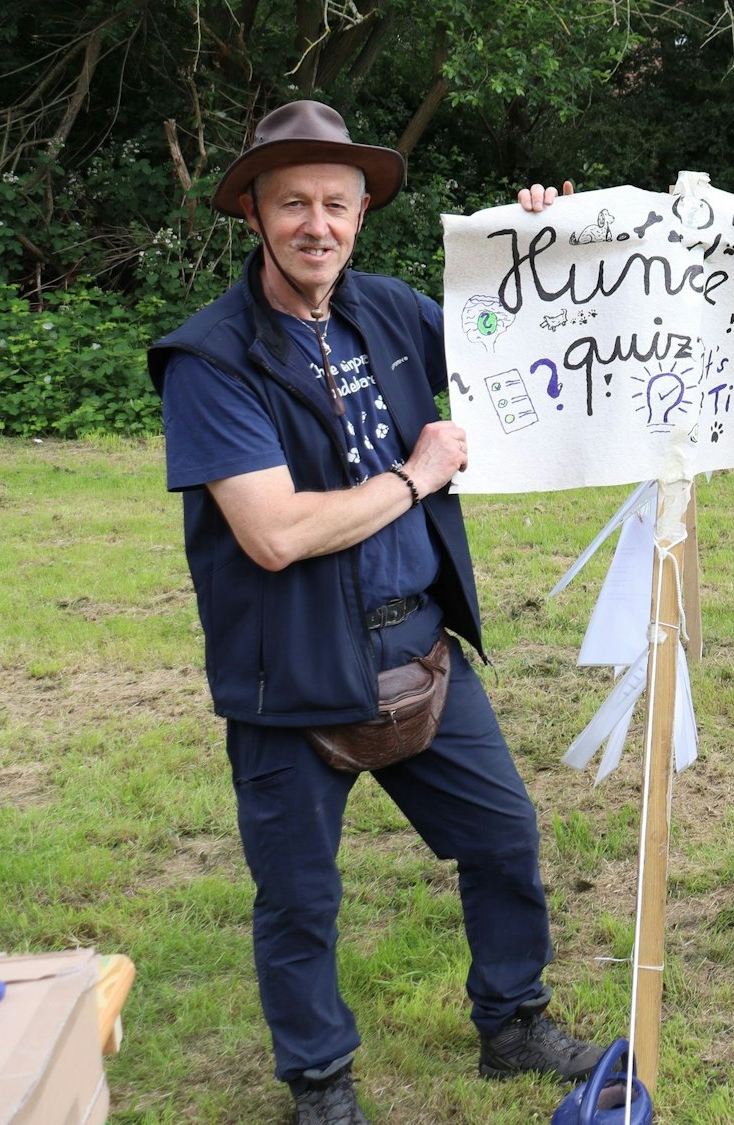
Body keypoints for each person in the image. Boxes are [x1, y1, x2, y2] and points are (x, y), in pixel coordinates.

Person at [148, 102, 602, 1125]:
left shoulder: (393, 312)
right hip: (290, 667)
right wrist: (414, 475)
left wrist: (544, 243)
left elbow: (527, 347)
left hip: (417, 643)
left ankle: (513, 1024)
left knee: (504, 839)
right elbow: (272, 533)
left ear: (361, 214)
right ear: (255, 214)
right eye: (293, 204)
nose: (317, 225)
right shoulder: (210, 359)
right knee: (299, 897)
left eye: (336, 205)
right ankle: (319, 1083)